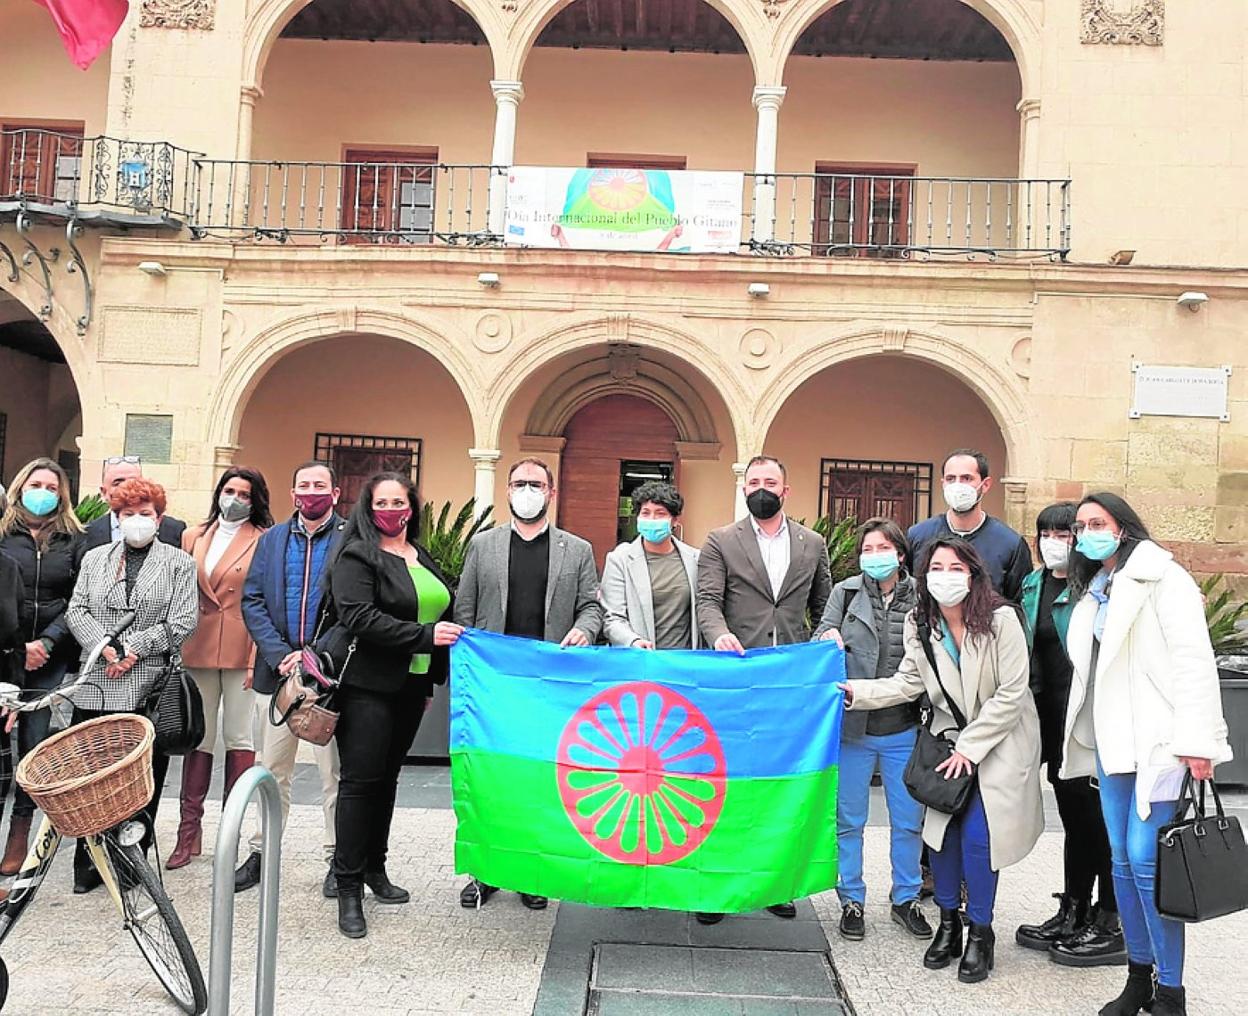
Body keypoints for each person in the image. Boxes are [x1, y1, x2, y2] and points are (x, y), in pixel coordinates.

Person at [839, 537, 1043, 984]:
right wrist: (856, 694)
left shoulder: (1002, 619)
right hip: (947, 741)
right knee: (941, 837)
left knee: (977, 837)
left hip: (1000, 741)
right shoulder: (921, 620)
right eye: (936, 568)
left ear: (973, 574)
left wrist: (972, 749)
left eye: (955, 568)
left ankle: (980, 933)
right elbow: (907, 682)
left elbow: (1012, 693)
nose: (944, 576)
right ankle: (948, 924)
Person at [1062, 494, 1232, 1016]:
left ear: (1123, 528)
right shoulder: (1094, 588)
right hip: (1114, 744)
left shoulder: (1165, 577)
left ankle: (1172, 992)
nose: (1087, 532)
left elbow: (1193, 661)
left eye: (1098, 523)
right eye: (1081, 525)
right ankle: (1139, 977)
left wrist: (1198, 743)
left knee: (1145, 858)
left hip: (1162, 744)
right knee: (1118, 859)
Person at [453, 457, 603, 911]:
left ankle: (533, 875)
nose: (527, 490)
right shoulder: (484, 546)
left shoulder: (576, 549)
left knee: (541, 779)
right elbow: (465, 610)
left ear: (551, 493)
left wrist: (585, 629)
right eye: (519, 482)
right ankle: (485, 873)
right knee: (492, 779)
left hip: (550, 687)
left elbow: (592, 608)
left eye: (536, 483)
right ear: (507, 489)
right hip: (496, 686)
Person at [697, 454, 831, 923]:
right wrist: (718, 635)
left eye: (769, 481)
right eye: (753, 481)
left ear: (785, 490)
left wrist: (824, 644)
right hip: (734, 682)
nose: (760, 488)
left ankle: (774, 883)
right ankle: (716, 885)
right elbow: (708, 601)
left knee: (776, 786)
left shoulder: (812, 544)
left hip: (790, 686)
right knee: (726, 784)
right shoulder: (720, 541)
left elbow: (824, 606)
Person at [327, 471, 461, 939]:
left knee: (387, 782)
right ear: (368, 507)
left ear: (412, 507)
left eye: (398, 501)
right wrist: (424, 637)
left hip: (411, 686)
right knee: (360, 784)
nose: (390, 509)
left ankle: (374, 870)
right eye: (381, 501)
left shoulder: (420, 554)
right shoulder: (357, 554)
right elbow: (359, 617)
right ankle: (346, 887)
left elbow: (440, 606)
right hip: (366, 685)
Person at [64, 477, 198, 887]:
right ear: (116, 518)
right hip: (98, 681)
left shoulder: (179, 563)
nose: (136, 521)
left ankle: (130, 860)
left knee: (140, 777)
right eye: (128, 514)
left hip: (148, 683)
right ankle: (88, 861)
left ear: (159, 518)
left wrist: (134, 648)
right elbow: (77, 610)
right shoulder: (95, 558)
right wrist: (104, 647)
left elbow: (184, 620)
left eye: (145, 514)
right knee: (91, 774)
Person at [1015, 502, 1125, 966]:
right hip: (1050, 720)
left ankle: (1110, 918)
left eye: (1065, 532)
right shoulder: (1033, 585)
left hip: (1089, 721)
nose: (1052, 541)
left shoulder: (1096, 590)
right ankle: (1074, 907)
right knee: (1075, 819)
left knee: (1098, 821)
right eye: (1045, 532)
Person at [814, 518, 929, 943]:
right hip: (853, 729)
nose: (874, 556)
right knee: (849, 819)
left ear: (900, 554)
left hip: (904, 727)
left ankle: (906, 897)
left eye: (883, 548)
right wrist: (827, 635)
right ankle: (851, 899)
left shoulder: (921, 594)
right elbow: (821, 635)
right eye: (868, 549)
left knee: (907, 820)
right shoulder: (845, 593)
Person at [235, 461, 345, 898]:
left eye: (320, 485)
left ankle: (337, 859)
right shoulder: (273, 540)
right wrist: (282, 654)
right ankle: (263, 852)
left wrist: (316, 656)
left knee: (333, 775)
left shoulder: (351, 539)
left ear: (335, 493)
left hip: (330, 678)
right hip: (277, 675)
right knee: (271, 768)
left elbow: (351, 607)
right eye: (304, 485)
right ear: (292, 491)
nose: (311, 492)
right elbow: (253, 600)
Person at [167, 467, 272, 870]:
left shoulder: (263, 540)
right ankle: (187, 833)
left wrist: (254, 659)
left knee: (238, 736)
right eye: (229, 491)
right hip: (198, 644)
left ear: (255, 499)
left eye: (244, 493)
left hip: (242, 646)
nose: (235, 499)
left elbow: (261, 600)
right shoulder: (193, 535)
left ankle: (230, 833)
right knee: (199, 736)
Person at [0, 458, 85, 886]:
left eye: (51, 486)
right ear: (20, 487)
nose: (43, 492)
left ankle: (19, 839)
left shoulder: (73, 539)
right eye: (35, 483)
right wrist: (17, 646)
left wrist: (47, 642)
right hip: (5, 655)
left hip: (49, 656)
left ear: (62, 495)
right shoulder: (2, 531)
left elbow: (77, 598)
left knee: (33, 746)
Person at [907, 449, 1031, 602]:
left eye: (966, 478)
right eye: (951, 478)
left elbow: (1019, 603)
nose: (958, 485)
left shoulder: (1010, 544)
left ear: (985, 485)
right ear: (943, 484)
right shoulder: (918, 535)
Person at [601, 481, 700, 650]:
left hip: (683, 662)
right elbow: (612, 618)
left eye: (660, 514)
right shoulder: (620, 560)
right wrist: (632, 641)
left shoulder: (695, 559)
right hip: (640, 661)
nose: (652, 520)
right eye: (645, 513)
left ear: (675, 520)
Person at [82, 456, 185, 550]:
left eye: (134, 481)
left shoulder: (175, 530)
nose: (127, 488)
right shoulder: (87, 533)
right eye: (118, 483)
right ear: (104, 492)